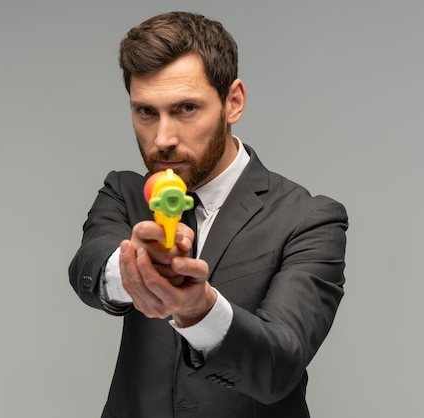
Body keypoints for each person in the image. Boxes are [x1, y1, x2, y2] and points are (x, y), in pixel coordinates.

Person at [69, 11, 348, 418]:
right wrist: (133, 269)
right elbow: (89, 265)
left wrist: (199, 308)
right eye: (146, 112)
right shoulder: (125, 192)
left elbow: (280, 365)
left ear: (233, 102)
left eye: (185, 108)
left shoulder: (309, 219)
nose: (162, 139)